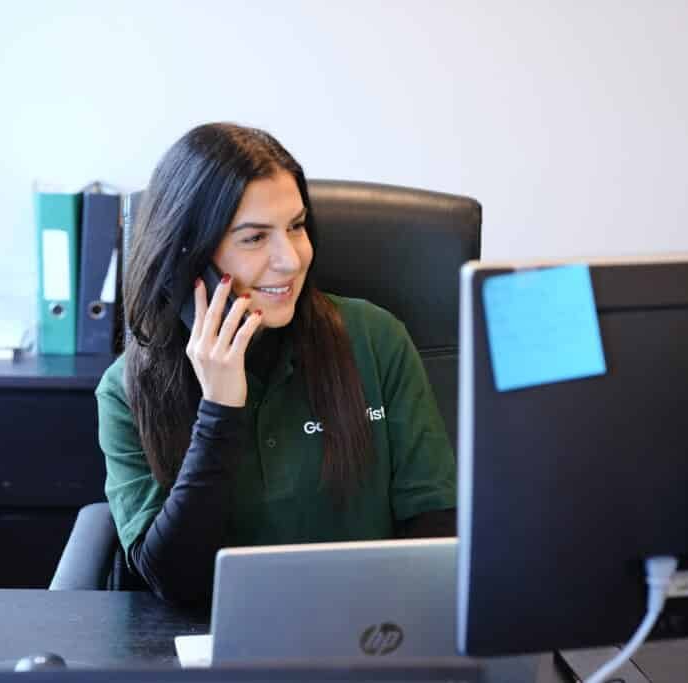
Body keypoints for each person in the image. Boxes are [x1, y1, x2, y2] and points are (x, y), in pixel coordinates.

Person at [96, 122, 456, 606]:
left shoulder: (376, 338)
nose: (290, 260)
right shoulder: (127, 392)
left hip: (370, 629)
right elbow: (176, 582)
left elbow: (437, 528)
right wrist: (219, 410)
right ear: (189, 256)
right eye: (253, 238)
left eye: (296, 226)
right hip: (213, 641)